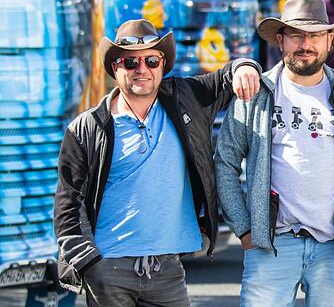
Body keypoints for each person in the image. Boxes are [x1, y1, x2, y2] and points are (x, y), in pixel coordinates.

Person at [54, 19, 261, 306]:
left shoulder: (186, 99)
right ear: (116, 67)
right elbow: (68, 204)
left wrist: (245, 67)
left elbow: (229, 75)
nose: (142, 69)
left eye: (151, 60)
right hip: (108, 270)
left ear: (162, 64)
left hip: (167, 270)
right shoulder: (88, 127)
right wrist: (90, 264)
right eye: (131, 62)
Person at [214, 0, 334, 307]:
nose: (305, 44)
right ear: (281, 40)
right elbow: (224, 161)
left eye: (315, 35)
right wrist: (243, 227)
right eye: (296, 35)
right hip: (271, 246)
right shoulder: (257, 94)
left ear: (329, 40)